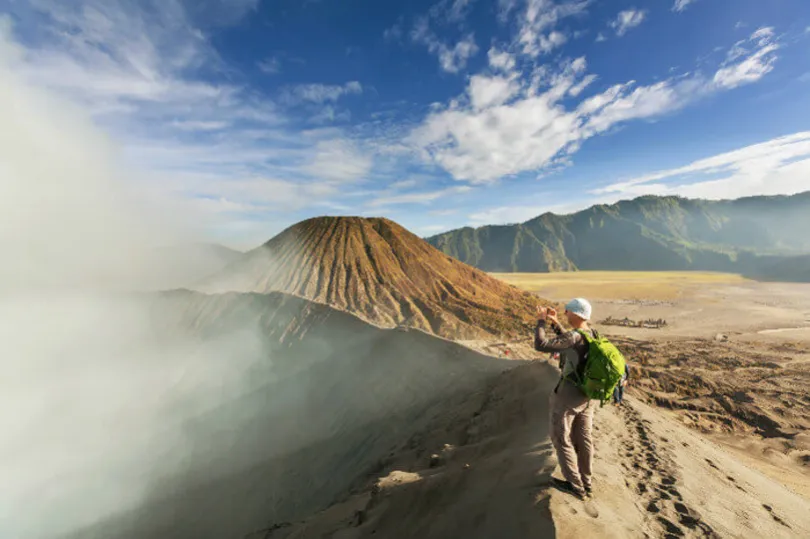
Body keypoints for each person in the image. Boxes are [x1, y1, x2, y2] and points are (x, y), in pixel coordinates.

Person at [534, 298, 596, 500]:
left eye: (567, 311)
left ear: (576, 314)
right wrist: (555, 323)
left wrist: (541, 321)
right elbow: (572, 345)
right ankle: (586, 483)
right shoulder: (593, 333)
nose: (566, 313)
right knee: (583, 438)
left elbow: (541, 345)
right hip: (588, 394)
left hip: (569, 394)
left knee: (560, 437)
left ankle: (575, 486)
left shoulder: (575, 336)